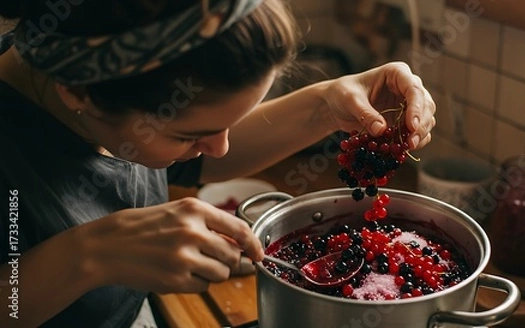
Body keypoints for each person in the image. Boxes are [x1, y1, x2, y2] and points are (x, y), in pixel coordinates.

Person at [0, 0, 436, 327]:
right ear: (79, 92)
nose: (222, 148)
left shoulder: (111, 101)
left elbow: (196, 158)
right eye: (189, 136)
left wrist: (326, 105)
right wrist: (87, 255)